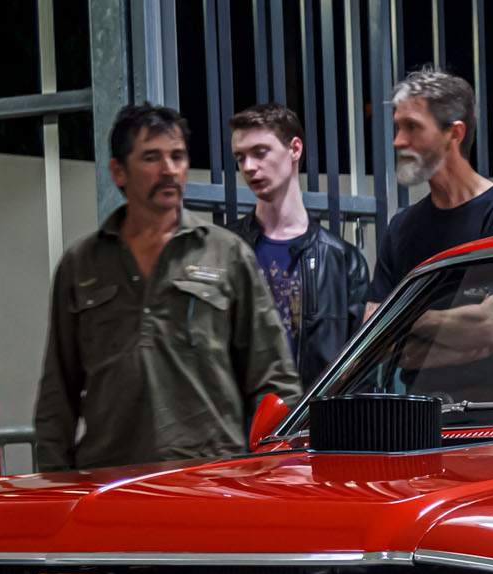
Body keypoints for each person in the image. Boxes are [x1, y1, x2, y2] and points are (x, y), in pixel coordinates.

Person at [33, 103, 299, 472]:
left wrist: (272, 473)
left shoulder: (226, 255)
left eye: (177, 156)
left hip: (207, 480)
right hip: (108, 480)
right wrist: (54, 486)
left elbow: (273, 379)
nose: (169, 169)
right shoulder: (82, 265)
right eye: (151, 157)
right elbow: (57, 395)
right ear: (118, 171)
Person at [364, 66, 493, 361]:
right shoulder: (402, 228)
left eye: (412, 127)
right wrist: (466, 342)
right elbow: (375, 338)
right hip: (424, 394)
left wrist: (402, 316)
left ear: (454, 133)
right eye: (398, 127)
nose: (398, 141)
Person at [228, 103, 371, 389]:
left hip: (313, 416)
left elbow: (360, 372)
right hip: (241, 416)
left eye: (260, 152)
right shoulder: (226, 249)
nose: (248, 167)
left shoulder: (343, 261)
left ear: (294, 149)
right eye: (240, 157)